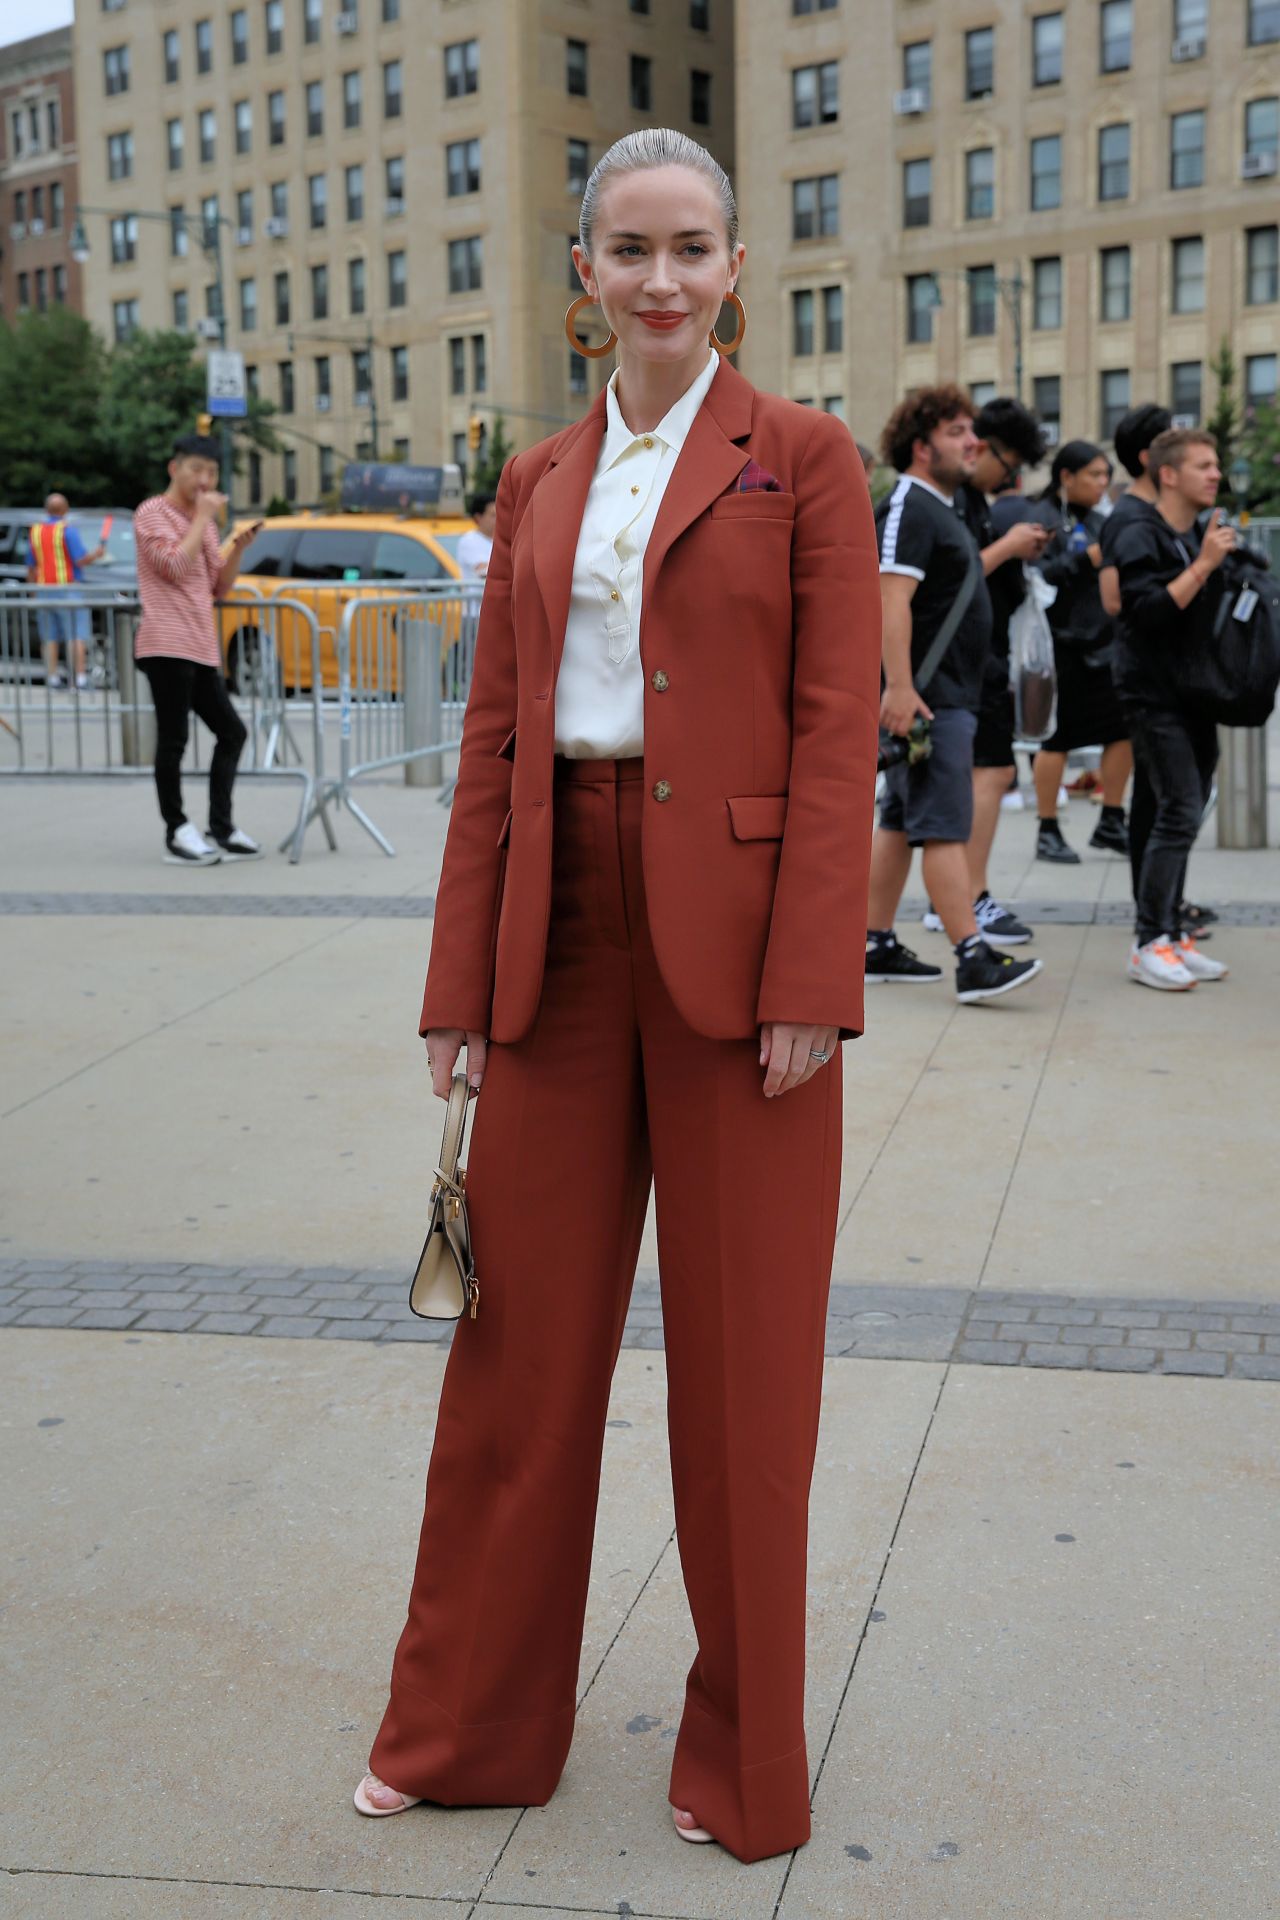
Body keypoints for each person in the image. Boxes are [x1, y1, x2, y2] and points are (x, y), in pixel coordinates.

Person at [356, 129, 881, 1864]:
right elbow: (493, 742)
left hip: (741, 963)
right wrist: (459, 989)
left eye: (691, 247)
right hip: (554, 940)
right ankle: (468, 1730)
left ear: (738, 265)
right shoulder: (532, 481)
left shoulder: (802, 461)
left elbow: (830, 735)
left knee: (747, 1384)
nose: (661, 277)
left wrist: (815, 971)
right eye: (628, 249)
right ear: (583, 274)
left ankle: (742, 1766)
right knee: (514, 1364)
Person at [866, 384, 1042, 1001]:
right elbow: (891, 599)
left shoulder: (940, 505)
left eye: (972, 432)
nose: (973, 443)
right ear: (921, 447)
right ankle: (973, 958)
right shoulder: (911, 506)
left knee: (897, 819)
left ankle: (875, 942)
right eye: (956, 433)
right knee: (944, 827)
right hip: (929, 701)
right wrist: (900, 688)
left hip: (939, 696)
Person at [1112, 428, 1233, 989]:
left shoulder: (1188, 532)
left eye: (1216, 465)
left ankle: (1171, 931)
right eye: (1203, 465)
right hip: (1152, 694)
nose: (1215, 474)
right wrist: (1204, 565)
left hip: (1193, 694)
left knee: (1188, 806)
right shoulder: (1139, 531)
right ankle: (1148, 941)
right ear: (1168, 474)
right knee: (1178, 808)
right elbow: (1143, 615)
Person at [134, 433, 264, 866]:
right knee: (174, 739)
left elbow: (217, 588)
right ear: (175, 469)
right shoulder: (152, 512)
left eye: (211, 472)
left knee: (232, 732)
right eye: (196, 470)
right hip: (165, 642)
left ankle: (220, 827)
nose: (204, 480)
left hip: (200, 643)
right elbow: (172, 566)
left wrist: (237, 549)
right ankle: (177, 829)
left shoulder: (205, 523)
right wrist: (201, 519)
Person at [952, 396, 1051, 943]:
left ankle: (961, 896)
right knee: (985, 777)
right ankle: (970, 896)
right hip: (963, 667)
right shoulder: (949, 501)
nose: (1008, 476)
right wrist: (1010, 546)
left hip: (973, 662)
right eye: (1008, 464)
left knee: (927, 801)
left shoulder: (970, 500)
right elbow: (953, 577)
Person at [1029, 440, 1133, 864]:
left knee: (1122, 731)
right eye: (1094, 475)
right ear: (1067, 477)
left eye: (1106, 475)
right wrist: (1085, 560)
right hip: (1060, 648)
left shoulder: (1096, 518)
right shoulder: (1043, 518)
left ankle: (1111, 818)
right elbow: (1036, 578)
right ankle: (1047, 827)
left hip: (1101, 647)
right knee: (1057, 740)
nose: (1102, 483)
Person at [26, 493, 106, 690]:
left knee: (49, 637)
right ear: (66, 509)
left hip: (43, 589)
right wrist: (96, 554)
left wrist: (32, 590)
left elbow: (30, 566)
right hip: (68, 588)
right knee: (76, 635)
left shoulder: (35, 531)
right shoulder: (67, 531)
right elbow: (80, 559)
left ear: (47, 510)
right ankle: (79, 678)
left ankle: (52, 677)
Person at [455, 491, 496, 583]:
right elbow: (483, 571)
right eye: (493, 515)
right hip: (478, 597)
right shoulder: (469, 540)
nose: (498, 518)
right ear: (478, 517)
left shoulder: (503, 540)